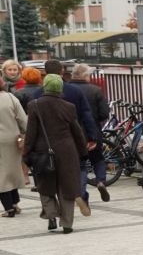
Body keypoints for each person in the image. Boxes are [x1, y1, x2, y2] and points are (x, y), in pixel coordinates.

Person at [22, 75, 86, 233]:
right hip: (67, 151)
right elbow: (76, 131)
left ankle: (50, 214)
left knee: (44, 184)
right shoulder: (68, 106)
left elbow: (31, 133)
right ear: (60, 88)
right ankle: (67, 224)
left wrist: (26, 153)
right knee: (66, 186)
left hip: (42, 151)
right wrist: (83, 151)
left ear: (45, 86)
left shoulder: (34, 105)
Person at [71, 63, 111, 202]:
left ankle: (81, 193)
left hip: (72, 133)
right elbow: (104, 113)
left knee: (80, 164)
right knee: (98, 159)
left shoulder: (66, 90)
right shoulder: (95, 90)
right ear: (86, 75)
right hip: (93, 131)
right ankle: (100, 181)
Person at [0, 81, 27, 216]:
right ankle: (15, 202)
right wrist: (24, 133)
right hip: (12, 139)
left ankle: (8, 207)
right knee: (12, 170)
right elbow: (22, 119)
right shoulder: (11, 97)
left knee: (1, 174)